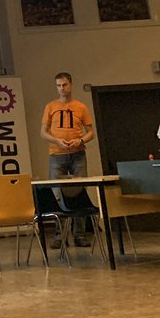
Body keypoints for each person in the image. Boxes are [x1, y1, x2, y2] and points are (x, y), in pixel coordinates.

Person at [40, 71, 95, 247]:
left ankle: (79, 234)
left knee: (79, 193)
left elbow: (91, 132)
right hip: (57, 154)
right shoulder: (51, 106)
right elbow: (43, 132)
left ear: (71, 85)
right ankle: (60, 236)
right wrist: (57, 141)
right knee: (57, 194)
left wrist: (80, 141)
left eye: (64, 85)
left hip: (77, 154)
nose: (62, 88)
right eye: (58, 86)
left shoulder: (80, 107)